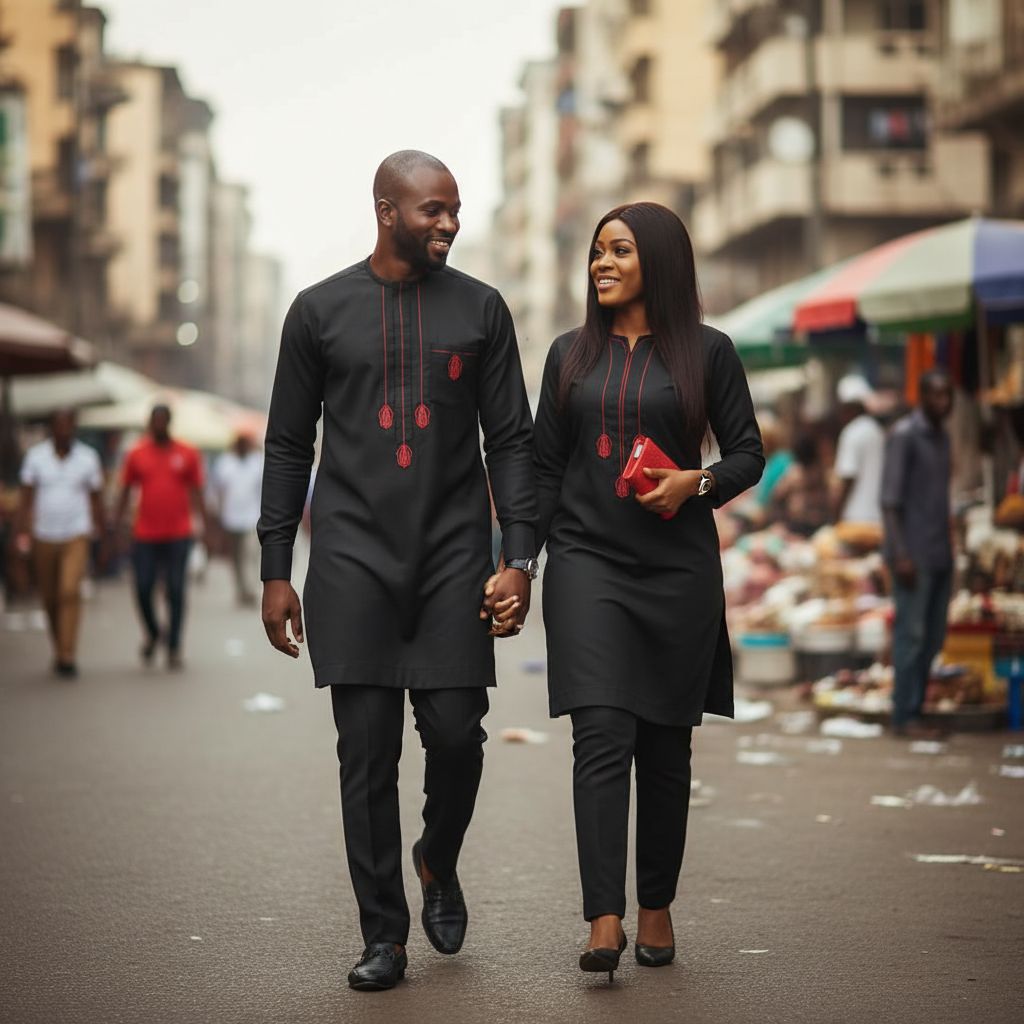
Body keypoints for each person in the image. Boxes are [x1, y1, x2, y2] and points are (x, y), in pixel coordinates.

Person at [258, 150, 536, 992]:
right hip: (351, 558)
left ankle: (437, 857)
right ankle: (384, 935)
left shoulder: (483, 310)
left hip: (455, 555)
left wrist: (520, 557)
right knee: (366, 758)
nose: (450, 223)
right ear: (387, 211)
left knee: (457, 736)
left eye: (455, 209)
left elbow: (512, 441)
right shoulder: (318, 312)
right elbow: (286, 444)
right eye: (433, 211)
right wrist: (278, 566)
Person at [525, 203, 763, 980]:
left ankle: (656, 903)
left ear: (657, 260)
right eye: (597, 251)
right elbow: (544, 470)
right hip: (586, 564)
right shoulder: (567, 355)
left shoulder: (710, 353)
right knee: (600, 735)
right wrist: (518, 563)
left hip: (677, 571)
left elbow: (748, 453)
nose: (601, 262)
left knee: (665, 746)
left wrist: (698, 482)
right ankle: (604, 916)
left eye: (619, 250)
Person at [881, 368, 954, 738]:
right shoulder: (904, 436)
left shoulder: (943, 438)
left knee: (933, 637)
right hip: (913, 553)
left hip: (940, 551)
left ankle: (917, 709)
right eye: (936, 395)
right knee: (911, 635)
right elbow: (890, 501)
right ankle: (904, 716)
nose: (943, 402)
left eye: (948, 395)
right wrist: (901, 554)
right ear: (922, 397)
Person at [113, 404, 208, 670]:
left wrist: (207, 528)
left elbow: (198, 491)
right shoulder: (137, 454)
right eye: (154, 421)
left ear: (169, 422)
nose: (159, 425)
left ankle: (174, 645)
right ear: (149, 423)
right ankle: (154, 632)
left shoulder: (187, 453)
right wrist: (117, 527)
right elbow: (124, 491)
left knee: (176, 589)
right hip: (144, 534)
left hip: (179, 533)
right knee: (143, 587)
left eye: (163, 421)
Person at [15, 409, 105, 677]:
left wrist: (103, 535)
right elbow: (25, 499)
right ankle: (59, 646)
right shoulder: (36, 458)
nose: (64, 431)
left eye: (69, 426)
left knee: (69, 591)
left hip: (76, 534)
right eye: (59, 426)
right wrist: (20, 535)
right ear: (51, 429)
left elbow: (96, 499)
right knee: (50, 596)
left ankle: (68, 654)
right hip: (44, 534)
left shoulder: (88, 458)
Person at [210, 433, 263, 606]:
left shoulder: (257, 463)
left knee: (250, 555)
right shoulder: (225, 464)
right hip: (230, 519)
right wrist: (217, 516)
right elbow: (217, 491)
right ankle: (240, 590)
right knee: (235, 558)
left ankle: (250, 590)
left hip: (251, 518)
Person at [834, 374, 884, 525]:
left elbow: (848, 477)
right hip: (878, 518)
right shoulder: (876, 430)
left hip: (856, 518)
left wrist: (836, 515)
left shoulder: (851, 432)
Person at [771, 433, 833, 537]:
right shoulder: (796, 473)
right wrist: (780, 521)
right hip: (798, 525)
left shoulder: (820, 473)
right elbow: (777, 495)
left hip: (817, 524)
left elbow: (777, 495)